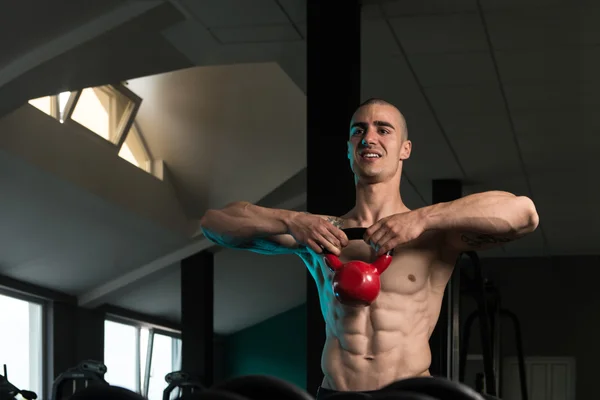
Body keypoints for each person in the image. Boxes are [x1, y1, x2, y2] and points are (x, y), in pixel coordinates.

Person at [199, 98, 539, 399]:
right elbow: (213, 223)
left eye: (383, 129)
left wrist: (423, 218)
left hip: (410, 394)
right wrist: (291, 220)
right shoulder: (319, 233)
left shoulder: (434, 234)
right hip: (335, 394)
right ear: (349, 148)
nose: (369, 138)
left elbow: (523, 213)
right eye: (358, 130)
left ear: (405, 148)